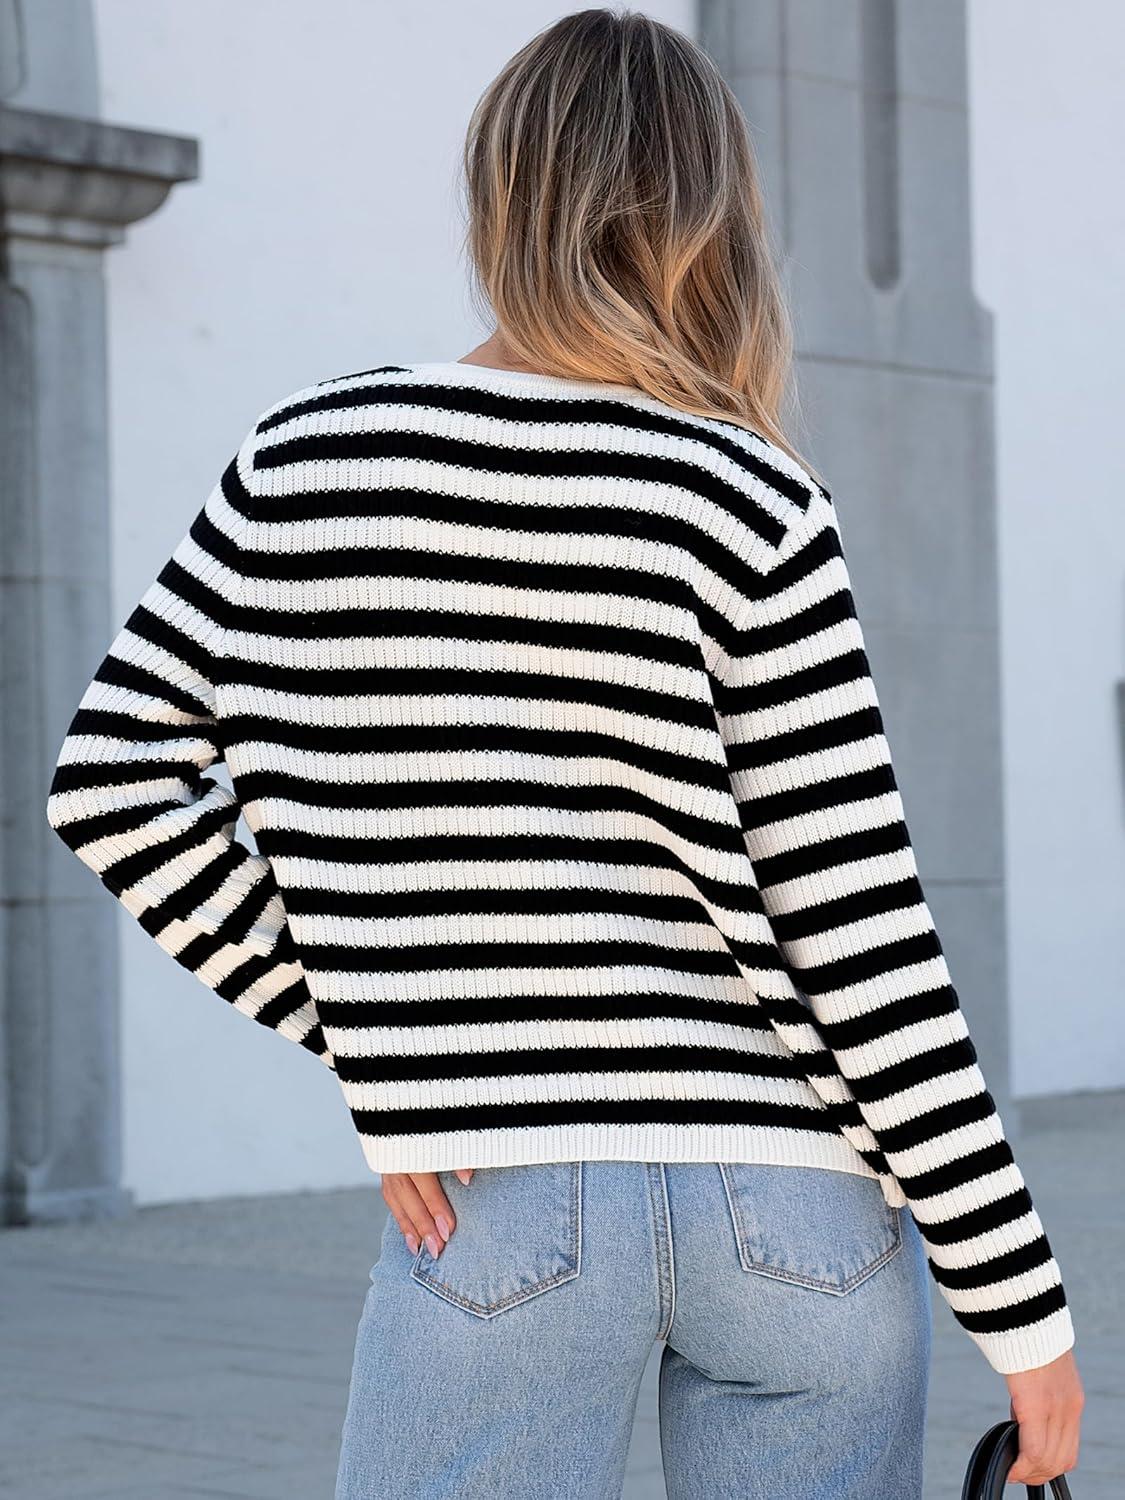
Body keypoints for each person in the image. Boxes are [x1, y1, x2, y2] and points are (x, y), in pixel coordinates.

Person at [45, 8, 1083, 1498]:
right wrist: (1023, 1314)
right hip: (798, 1212)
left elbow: (111, 788)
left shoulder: (306, 460)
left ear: (500, 192)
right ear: (711, 215)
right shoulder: (749, 496)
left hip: (501, 1204)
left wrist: (393, 1049)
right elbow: (862, 937)